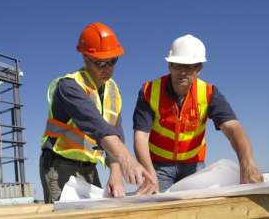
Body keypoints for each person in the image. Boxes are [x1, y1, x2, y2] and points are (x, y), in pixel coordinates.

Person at [132, 34, 264, 195]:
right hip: (158, 166)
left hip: (193, 166)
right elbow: (140, 137)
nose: (182, 72)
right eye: (177, 65)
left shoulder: (209, 93)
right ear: (169, 66)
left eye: (188, 67)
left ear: (199, 69)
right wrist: (148, 173)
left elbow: (233, 129)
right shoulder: (149, 91)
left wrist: (247, 163)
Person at [39, 22, 154, 204]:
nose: (107, 68)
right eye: (100, 63)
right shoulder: (69, 86)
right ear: (86, 59)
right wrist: (127, 160)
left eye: (112, 61)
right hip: (60, 165)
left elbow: (115, 132)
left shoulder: (112, 90)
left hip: (89, 167)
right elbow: (98, 127)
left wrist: (115, 173)